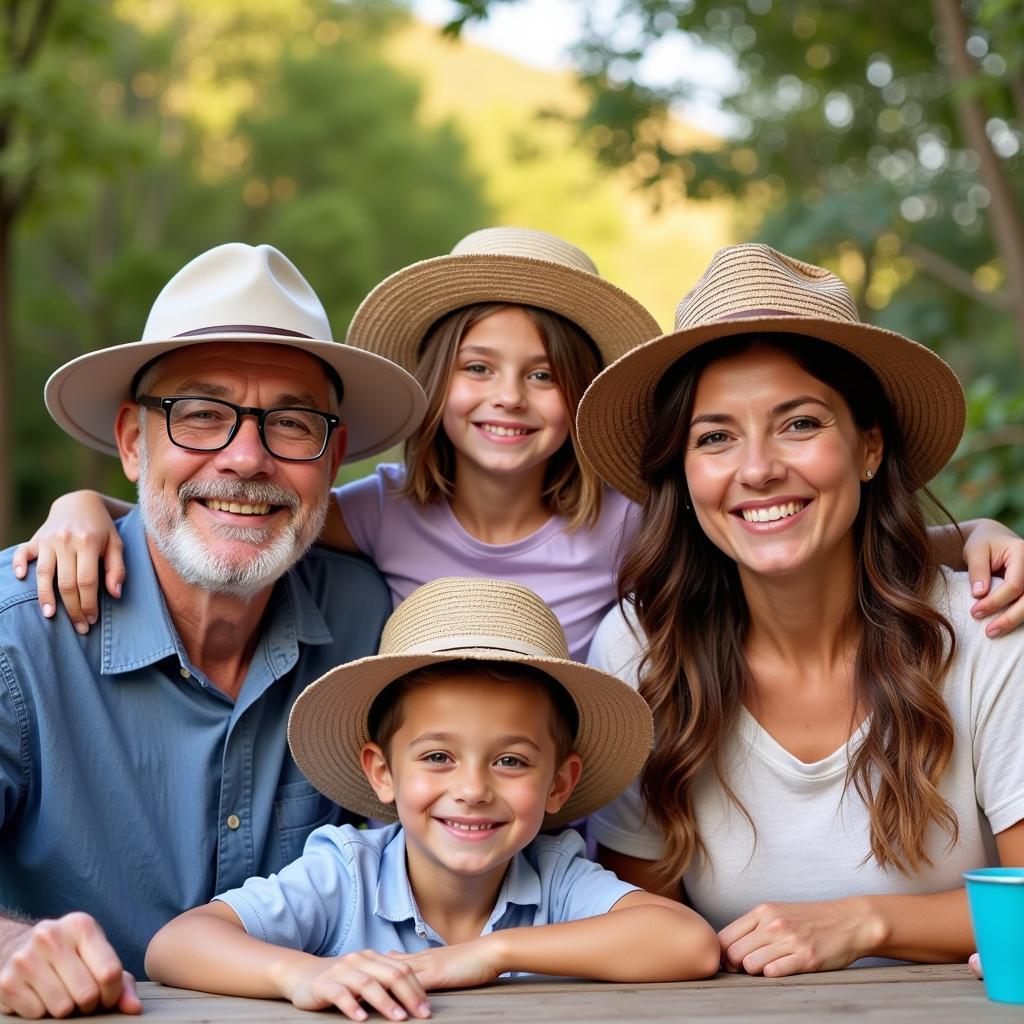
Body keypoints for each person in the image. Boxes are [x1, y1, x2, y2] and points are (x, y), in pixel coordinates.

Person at [13, 230, 1024, 655]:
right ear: (437, 382)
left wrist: (970, 531)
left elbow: (792, 536)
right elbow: (236, 509)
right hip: (440, 805)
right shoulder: (380, 512)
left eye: (545, 373)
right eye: (480, 368)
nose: (510, 397)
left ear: (583, 394)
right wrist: (83, 509)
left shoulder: (631, 522)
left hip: (586, 807)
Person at [0, 243, 427, 1018]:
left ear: (333, 458)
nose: (245, 458)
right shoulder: (16, 637)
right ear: (134, 442)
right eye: (201, 415)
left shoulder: (373, 622)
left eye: (291, 424)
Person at [575, 243, 1024, 976]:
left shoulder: (987, 633)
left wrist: (862, 923)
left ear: (869, 448)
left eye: (800, 424)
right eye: (715, 437)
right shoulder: (641, 648)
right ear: (684, 475)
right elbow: (644, 929)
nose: (757, 469)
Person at [144, 577, 720, 1019]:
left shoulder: (556, 878)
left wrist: (493, 953)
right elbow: (177, 944)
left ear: (560, 784)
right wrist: (300, 977)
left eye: (511, 761)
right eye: (438, 757)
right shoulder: (347, 873)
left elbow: (689, 943)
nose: (471, 790)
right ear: (382, 773)